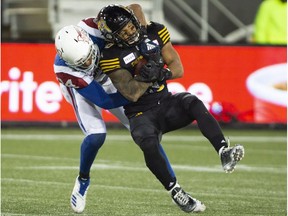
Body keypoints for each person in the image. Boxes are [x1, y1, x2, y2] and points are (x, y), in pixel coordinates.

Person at [97, 4, 245, 213]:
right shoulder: (111, 55)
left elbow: (177, 68)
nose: (130, 32)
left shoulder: (153, 32)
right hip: (141, 113)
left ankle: (223, 150)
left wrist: (162, 72)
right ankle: (176, 191)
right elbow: (131, 93)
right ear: (114, 36)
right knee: (147, 142)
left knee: (192, 101)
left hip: (166, 103)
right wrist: (151, 73)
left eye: (130, 26)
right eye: (123, 32)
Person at [53, 4, 176, 214]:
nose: (91, 61)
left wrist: (144, 32)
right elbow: (105, 101)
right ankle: (83, 179)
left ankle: (174, 187)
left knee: (147, 131)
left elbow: (132, 10)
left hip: (110, 76)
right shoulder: (66, 70)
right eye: (83, 62)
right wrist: (141, 86)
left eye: (91, 56)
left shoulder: (96, 28)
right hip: (86, 88)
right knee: (96, 135)